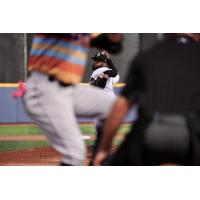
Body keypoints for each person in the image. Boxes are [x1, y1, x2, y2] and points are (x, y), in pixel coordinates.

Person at [94, 33, 200, 166]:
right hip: (192, 136)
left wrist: (104, 149)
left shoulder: (147, 56)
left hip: (150, 132)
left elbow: (120, 107)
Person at [23, 33, 123, 166]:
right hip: (45, 88)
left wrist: (112, 38)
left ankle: (98, 159)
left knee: (114, 107)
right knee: (75, 153)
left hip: (67, 89)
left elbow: (114, 47)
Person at [89, 50, 120, 164]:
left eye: (98, 61)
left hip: (104, 102)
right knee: (101, 125)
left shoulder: (100, 70)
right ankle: (104, 147)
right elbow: (116, 74)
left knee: (99, 125)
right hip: (109, 101)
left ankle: (101, 149)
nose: (95, 63)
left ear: (103, 63)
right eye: (95, 61)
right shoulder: (102, 71)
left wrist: (105, 74)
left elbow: (112, 72)